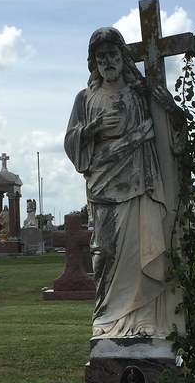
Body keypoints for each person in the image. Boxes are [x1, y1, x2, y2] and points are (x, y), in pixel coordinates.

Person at [64, 26, 186, 338]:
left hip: (140, 186)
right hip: (104, 187)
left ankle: (145, 319)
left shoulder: (140, 95)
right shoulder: (85, 98)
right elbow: (71, 143)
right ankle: (106, 321)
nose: (107, 61)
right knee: (105, 253)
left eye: (113, 54)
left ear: (123, 57)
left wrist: (172, 110)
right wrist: (92, 129)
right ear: (93, 62)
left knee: (141, 250)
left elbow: (170, 139)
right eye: (101, 56)